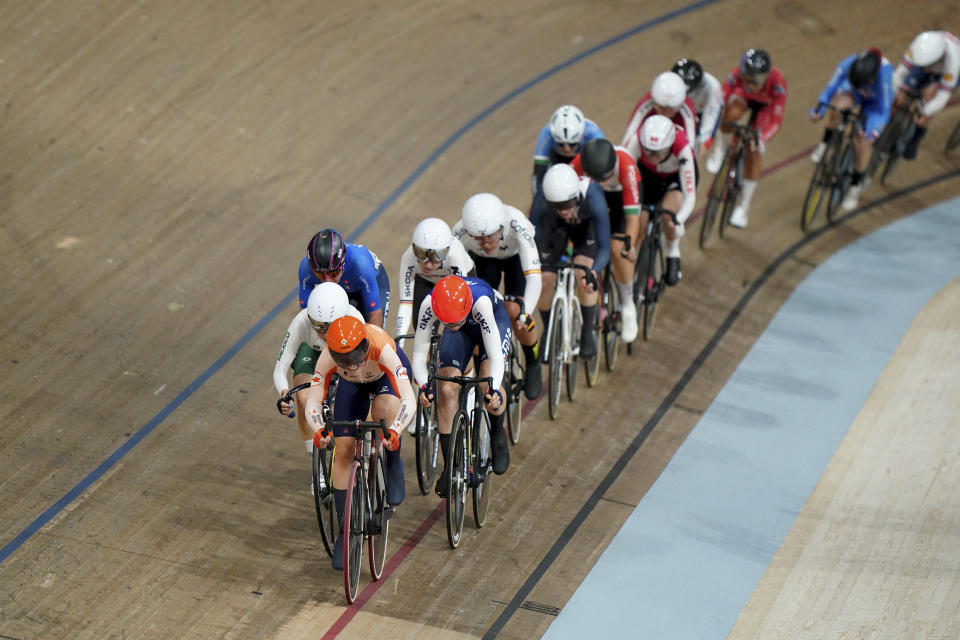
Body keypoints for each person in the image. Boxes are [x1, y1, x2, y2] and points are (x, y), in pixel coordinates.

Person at [303, 316, 414, 570]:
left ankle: (393, 462)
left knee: (384, 412)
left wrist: (394, 431)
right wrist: (319, 429)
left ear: (365, 347)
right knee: (343, 449)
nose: (351, 366)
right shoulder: (328, 358)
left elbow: (409, 398)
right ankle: (345, 529)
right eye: (343, 361)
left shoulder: (383, 350)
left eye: (355, 359)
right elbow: (313, 401)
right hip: (353, 388)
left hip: (384, 378)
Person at [411, 275, 512, 496]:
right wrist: (425, 386)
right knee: (446, 388)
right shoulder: (430, 304)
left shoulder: (481, 303)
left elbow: (495, 357)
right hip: (462, 332)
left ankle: (497, 433)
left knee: (487, 385)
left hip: (494, 321)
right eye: (448, 322)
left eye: (454, 321)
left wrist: (493, 389)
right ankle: (450, 467)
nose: (451, 325)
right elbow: (419, 354)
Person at [453, 193, 543, 398]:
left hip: (515, 260)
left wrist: (525, 313)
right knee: (475, 314)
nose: (486, 243)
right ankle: (481, 370)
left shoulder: (518, 225)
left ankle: (533, 361)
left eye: (491, 236)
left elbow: (534, 277)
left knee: (515, 311)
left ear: (502, 227)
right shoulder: (459, 232)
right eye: (478, 238)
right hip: (484, 263)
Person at [274, 282, 366, 456]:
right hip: (313, 352)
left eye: (328, 326)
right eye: (316, 325)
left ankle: (366, 449)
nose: (322, 333)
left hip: (344, 353)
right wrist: (284, 394)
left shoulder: (355, 319)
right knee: (303, 396)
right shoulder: (301, 321)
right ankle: (314, 455)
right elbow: (280, 368)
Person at [529, 163, 610, 359]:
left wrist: (594, 271)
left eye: (567, 205)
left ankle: (586, 334)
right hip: (554, 229)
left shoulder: (593, 196)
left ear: (576, 196)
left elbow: (604, 248)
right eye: (557, 206)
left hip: (585, 231)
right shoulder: (542, 201)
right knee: (545, 280)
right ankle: (550, 330)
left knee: (583, 274)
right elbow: (534, 243)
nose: (563, 210)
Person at [705, 48, 787, 228]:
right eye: (747, 78)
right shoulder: (737, 76)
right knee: (731, 113)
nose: (751, 84)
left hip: (766, 107)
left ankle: (743, 207)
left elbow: (776, 122)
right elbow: (720, 100)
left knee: (754, 150)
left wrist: (762, 140)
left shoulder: (778, 82)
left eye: (756, 80)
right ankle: (720, 150)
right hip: (744, 99)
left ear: (766, 76)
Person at [570, 138, 642, 342]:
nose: (600, 182)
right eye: (595, 177)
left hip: (620, 201)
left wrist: (629, 245)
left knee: (618, 248)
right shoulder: (575, 166)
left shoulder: (626, 165)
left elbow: (632, 218)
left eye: (604, 177)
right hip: (591, 201)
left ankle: (628, 304)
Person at [810, 48, 894, 210]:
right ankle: (825, 144)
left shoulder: (885, 76)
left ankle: (855, 185)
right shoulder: (848, 63)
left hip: (875, 105)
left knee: (862, 141)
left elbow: (884, 112)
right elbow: (830, 89)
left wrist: (872, 132)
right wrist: (820, 109)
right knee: (836, 108)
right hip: (854, 90)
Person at [623, 115, 696, 286]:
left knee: (668, 216)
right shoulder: (637, 141)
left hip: (675, 178)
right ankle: (633, 271)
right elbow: (625, 175)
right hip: (648, 176)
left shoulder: (682, 147)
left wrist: (679, 221)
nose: (653, 156)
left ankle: (672, 249)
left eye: (659, 152)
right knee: (638, 226)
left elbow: (690, 194)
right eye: (648, 151)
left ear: (670, 145)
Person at [395, 217, 474, 340]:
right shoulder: (408, 257)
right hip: (427, 281)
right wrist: (399, 342)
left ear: (447, 251)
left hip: (455, 283)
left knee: (468, 329)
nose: (428, 265)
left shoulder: (454, 255)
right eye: (421, 255)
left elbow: (463, 300)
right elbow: (406, 303)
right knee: (423, 333)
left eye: (437, 256)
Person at [298, 228, 390, 327]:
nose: (328, 281)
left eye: (333, 273)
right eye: (321, 275)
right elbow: (303, 315)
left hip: (371, 282)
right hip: (346, 285)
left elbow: (375, 316)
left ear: (343, 264)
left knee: (374, 332)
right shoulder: (305, 269)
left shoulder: (360, 264)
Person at [891, 30, 960, 159]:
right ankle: (889, 130)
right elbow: (900, 73)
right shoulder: (919, 46)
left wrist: (925, 111)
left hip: (944, 74)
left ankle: (915, 139)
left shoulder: (953, 64)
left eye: (930, 66)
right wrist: (896, 92)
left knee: (929, 97)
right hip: (924, 62)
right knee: (899, 98)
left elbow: (942, 97)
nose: (928, 69)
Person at [532, 105, 605, 195]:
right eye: (561, 144)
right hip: (557, 158)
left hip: (584, 159)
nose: (567, 150)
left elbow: (602, 169)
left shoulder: (594, 133)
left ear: (581, 135)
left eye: (572, 144)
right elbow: (538, 173)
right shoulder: (545, 134)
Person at [622, 71, 698, 155]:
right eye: (662, 108)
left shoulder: (687, 108)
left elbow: (691, 144)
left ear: (679, 105)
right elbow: (629, 134)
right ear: (654, 102)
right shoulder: (646, 102)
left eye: (671, 109)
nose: (666, 113)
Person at [672, 58, 725, 153]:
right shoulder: (672, 81)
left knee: (697, 152)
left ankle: (719, 146)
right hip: (686, 108)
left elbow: (708, 124)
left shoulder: (712, 88)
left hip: (706, 110)